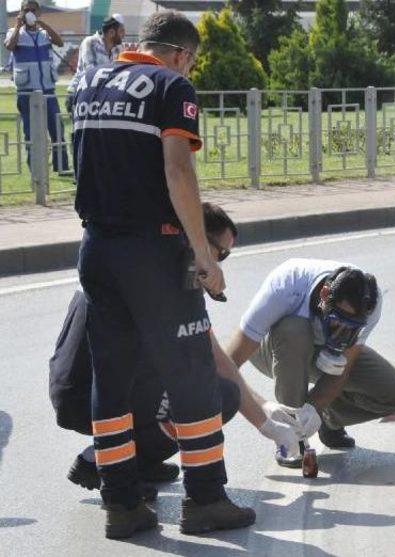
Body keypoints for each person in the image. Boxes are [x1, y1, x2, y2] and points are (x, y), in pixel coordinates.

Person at [73, 11, 254, 539]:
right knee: (194, 374)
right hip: (154, 251)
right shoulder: (172, 86)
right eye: (191, 61)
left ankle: (123, 507)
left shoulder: (88, 82)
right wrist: (203, 254)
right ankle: (205, 500)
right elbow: (177, 169)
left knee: (112, 383)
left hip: (97, 247)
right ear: (181, 54)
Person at [49, 203, 299, 501]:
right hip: (89, 397)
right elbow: (213, 361)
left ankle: (137, 460)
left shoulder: (143, 259)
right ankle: (103, 462)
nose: (220, 263)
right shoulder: (169, 277)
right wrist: (267, 426)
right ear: (195, 236)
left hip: (80, 390)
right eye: (220, 253)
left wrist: (266, 413)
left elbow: (213, 352)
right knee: (217, 395)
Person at [227, 258, 395, 468]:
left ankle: (328, 419)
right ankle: (290, 435)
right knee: (294, 329)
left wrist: (314, 408)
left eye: (351, 327)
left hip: (324, 355)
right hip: (275, 349)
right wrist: (263, 410)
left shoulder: (370, 303)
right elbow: (227, 363)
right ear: (324, 295)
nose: (342, 332)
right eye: (339, 320)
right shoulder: (287, 285)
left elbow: (342, 367)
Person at [3, 1, 69, 173]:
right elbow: (9, 46)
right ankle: (36, 171)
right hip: (27, 92)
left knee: (57, 130)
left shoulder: (43, 33)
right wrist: (18, 26)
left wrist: (44, 25)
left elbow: (60, 43)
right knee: (31, 134)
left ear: (39, 12)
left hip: (48, 90)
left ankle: (61, 167)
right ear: (21, 13)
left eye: (33, 10)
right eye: (26, 10)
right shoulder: (14, 32)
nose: (30, 13)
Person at [65, 14, 126, 114]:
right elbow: (91, 72)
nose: (124, 34)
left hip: (103, 95)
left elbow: (122, 72)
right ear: (111, 32)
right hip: (81, 94)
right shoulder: (90, 42)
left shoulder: (119, 48)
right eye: (121, 31)